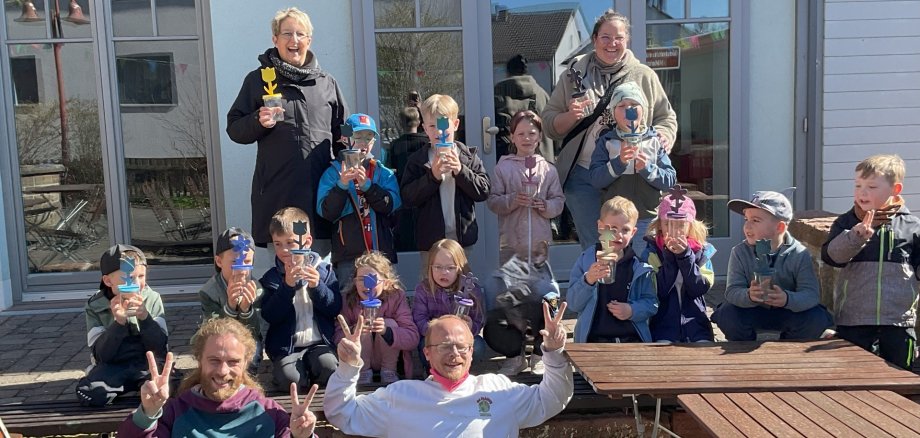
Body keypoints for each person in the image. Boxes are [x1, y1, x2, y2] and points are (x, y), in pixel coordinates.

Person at [323, 304, 573, 437]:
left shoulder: (498, 389)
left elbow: (553, 398)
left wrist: (552, 351)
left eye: (462, 347)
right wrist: (348, 367)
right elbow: (342, 413)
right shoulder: (400, 396)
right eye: (444, 346)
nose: (454, 354)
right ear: (427, 353)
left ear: (472, 352)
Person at [542, 9, 677, 250]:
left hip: (630, 179)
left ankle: (630, 288)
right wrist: (571, 115)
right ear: (594, 40)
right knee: (598, 246)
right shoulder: (573, 76)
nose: (612, 44)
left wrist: (664, 137)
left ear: (627, 41)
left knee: (632, 246)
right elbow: (550, 125)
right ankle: (599, 286)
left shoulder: (644, 76)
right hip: (585, 177)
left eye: (619, 38)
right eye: (605, 37)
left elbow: (666, 117)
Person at [226, 7, 347, 255]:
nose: (294, 41)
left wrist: (345, 171)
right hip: (277, 198)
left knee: (318, 278)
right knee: (283, 282)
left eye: (300, 34)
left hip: (320, 202)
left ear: (309, 40)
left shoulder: (327, 83)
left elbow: (342, 135)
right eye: (287, 34)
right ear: (275, 39)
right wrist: (257, 121)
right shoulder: (257, 80)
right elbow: (235, 129)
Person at [117, 318, 317, 437]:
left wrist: (303, 435)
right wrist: (147, 413)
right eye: (214, 360)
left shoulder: (269, 412)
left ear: (246, 363)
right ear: (199, 360)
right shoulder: (177, 411)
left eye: (233, 362)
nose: (222, 371)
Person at [821, 154, 920, 370]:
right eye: (858, 185)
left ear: (895, 190)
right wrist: (854, 238)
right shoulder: (846, 222)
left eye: (872, 186)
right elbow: (831, 257)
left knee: (901, 374)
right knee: (852, 374)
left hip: (897, 321)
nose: (862, 192)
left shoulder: (911, 226)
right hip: (854, 319)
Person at [712, 191, 833, 341]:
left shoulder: (799, 254)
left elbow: (810, 294)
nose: (747, 226)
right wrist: (749, 295)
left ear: (780, 227)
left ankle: (789, 345)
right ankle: (744, 345)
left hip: (787, 311)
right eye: (746, 219)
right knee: (727, 313)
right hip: (752, 310)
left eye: (755, 220)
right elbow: (732, 291)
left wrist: (787, 299)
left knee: (816, 317)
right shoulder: (740, 252)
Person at [399, 93, 491, 266]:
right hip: (431, 242)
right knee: (431, 286)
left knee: (461, 283)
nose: (438, 131)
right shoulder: (418, 160)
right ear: (425, 129)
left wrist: (460, 170)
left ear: (455, 125)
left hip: (461, 239)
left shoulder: (467, 157)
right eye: (432, 126)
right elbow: (408, 197)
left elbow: (484, 190)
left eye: (443, 125)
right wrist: (432, 177)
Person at [589, 81, 676, 258]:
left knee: (645, 265)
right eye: (622, 105)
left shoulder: (654, 141)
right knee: (610, 263)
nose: (629, 109)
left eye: (634, 105)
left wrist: (648, 169)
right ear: (613, 112)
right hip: (611, 221)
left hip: (646, 219)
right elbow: (595, 179)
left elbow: (670, 180)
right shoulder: (606, 142)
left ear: (643, 110)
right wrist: (618, 163)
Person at [76, 244, 168, 407]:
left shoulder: (152, 298)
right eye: (129, 278)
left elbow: (160, 347)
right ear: (108, 280)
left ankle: (142, 389)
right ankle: (111, 385)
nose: (137, 283)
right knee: (89, 391)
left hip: (147, 363)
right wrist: (118, 323)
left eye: (141, 276)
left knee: (175, 384)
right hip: (114, 365)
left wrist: (145, 317)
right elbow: (102, 354)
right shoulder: (95, 306)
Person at [260, 207, 342, 390]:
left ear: (307, 242)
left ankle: (320, 393)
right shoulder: (271, 277)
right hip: (287, 348)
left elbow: (335, 307)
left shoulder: (325, 272)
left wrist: (317, 287)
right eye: (278, 244)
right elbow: (270, 315)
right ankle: (297, 382)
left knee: (329, 368)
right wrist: (287, 287)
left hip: (320, 343)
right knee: (290, 381)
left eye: (290, 242)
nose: (284, 250)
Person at [317, 113, 400, 289]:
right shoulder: (332, 172)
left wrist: (368, 187)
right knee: (349, 303)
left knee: (385, 301)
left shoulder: (383, 172)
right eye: (358, 136)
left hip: (381, 255)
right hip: (349, 257)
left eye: (369, 137)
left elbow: (391, 205)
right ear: (344, 138)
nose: (363, 142)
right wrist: (342, 185)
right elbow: (326, 212)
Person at [566, 196, 657, 343]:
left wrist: (632, 310)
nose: (619, 235)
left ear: (633, 233)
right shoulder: (586, 260)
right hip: (593, 340)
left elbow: (651, 304)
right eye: (612, 228)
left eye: (625, 230)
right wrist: (588, 280)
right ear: (600, 227)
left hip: (631, 340)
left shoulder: (639, 267)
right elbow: (573, 304)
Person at [487, 110, 565, 265]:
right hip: (510, 241)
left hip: (540, 242)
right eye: (521, 134)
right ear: (512, 137)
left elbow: (559, 201)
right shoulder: (503, 168)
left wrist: (545, 205)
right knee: (514, 285)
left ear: (540, 137)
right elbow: (493, 201)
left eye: (532, 133)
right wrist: (513, 200)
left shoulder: (548, 169)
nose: (527, 138)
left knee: (539, 283)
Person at [334, 252, 419, 384]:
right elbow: (337, 336)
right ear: (355, 281)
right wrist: (355, 331)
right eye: (361, 279)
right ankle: (363, 372)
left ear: (386, 283)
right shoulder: (348, 300)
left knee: (389, 323)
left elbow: (412, 337)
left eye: (372, 279)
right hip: (359, 359)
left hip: (388, 359)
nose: (367, 285)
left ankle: (389, 372)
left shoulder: (396, 298)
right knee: (360, 326)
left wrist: (387, 331)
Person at [642, 192, 716, 342]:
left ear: (690, 226)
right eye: (667, 224)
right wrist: (669, 258)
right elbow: (658, 290)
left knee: (703, 352)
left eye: (680, 225)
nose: (673, 230)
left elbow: (699, 288)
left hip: (696, 323)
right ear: (660, 225)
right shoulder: (651, 253)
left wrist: (685, 257)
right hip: (662, 325)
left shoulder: (703, 252)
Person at [484, 240, 561, 375]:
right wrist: (511, 312)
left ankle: (539, 355)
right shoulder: (496, 279)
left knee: (549, 313)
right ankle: (514, 357)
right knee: (494, 323)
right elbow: (491, 313)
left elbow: (553, 307)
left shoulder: (547, 281)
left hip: (536, 323)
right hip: (512, 325)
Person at [412, 239, 487, 371]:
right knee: (425, 345)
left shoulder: (471, 290)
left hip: (460, 338)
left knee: (478, 346)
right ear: (430, 267)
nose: (444, 272)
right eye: (438, 267)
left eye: (450, 268)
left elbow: (479, 319)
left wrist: (471, 327)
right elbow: (419, 319)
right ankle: (433, 372)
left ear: (460, 268)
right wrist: (437, 331)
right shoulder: (423, 289)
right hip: (435, 339)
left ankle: (461, 370)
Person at [198, 227, 264, 374]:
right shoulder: (209, 291)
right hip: (218, 340)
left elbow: (257, 330)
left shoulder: (257, 288)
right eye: (235, 262)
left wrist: (247, 310)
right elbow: (212, 328)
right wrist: (230, 306)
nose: (242, 269)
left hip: (247, 339)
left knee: (249, 360)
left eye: (247, 261)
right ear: (219, 261)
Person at [494, 54, 551, 161]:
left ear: (507, 72)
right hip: (541, 163)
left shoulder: (497, 94)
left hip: (508, 164)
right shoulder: (543, 95)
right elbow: (553, 132)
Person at [389, 106, 429, 252]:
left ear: (401, 123)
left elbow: (392, 167)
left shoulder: (396, 145)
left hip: (403, 191)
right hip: (425, 189)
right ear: (419, 122)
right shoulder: (426, 143)